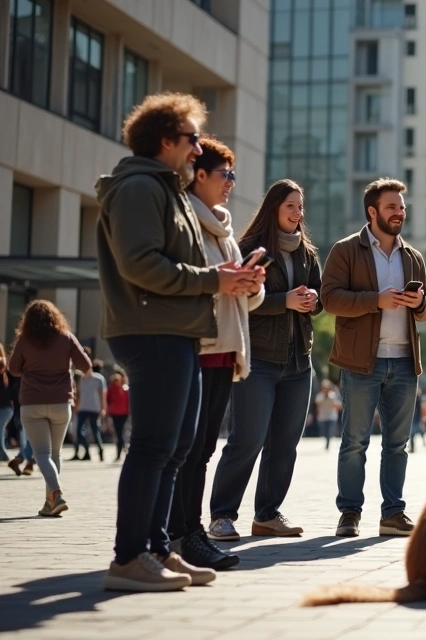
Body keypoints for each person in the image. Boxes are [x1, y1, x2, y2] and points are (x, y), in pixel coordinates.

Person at [97, 92, 259, 591]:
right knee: (153, 447)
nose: (197, 150)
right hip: (151, 331)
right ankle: (129, 558)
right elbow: (141, 265)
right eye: (191, 139)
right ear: (165, 140)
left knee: (175, 448)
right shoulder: (139, 188)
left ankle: (158, 549)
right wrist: (215, 281)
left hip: (179, 331)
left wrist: (224, 278)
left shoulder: (166, 189)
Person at [167, 135, 264, 570]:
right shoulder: (184, 221)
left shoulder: (223, 227)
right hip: (197, 348)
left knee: (203, 447)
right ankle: (182, 533)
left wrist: (251, 286)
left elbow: (237, 296)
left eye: (233, 175)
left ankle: (189, 532)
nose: (231, 183)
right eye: (225, 174)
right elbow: (186, 283)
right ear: (199, 175)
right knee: (186, 449)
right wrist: (223, 281)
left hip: (225, 350)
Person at [208, 179, 322, 541]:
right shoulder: (249, 249)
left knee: (284, 443)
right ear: (274, 208)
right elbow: (239, 300)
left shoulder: (307, 253)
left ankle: (268, 515)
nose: (297, 212)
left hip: (298, 362)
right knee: (248, 440)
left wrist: (311, 301)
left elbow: (318, 300)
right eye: (291, 205)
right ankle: (222, 515)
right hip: (258, 360)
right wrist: (283, 301)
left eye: (300, 206)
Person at [321, 178, 426, 537]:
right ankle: (350, 512)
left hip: (403, 361)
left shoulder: (412, 256)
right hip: (361, 363)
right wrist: (375, 300)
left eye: (402, 207)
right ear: (372, 211)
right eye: (391, 207)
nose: (399, 212)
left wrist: (420, 304)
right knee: (355, 441)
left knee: (398, 444)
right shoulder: (345, 250)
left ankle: (392, 513)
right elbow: (331, 298)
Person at [9, 300, 92, 516]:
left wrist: (32, 367)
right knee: (55, 454)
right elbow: (87, 367)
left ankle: (56, 494)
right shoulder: (65, 338)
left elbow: (13, 369)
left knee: (42, 453)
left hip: (32, 402)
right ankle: (50, 504)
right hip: (61, 403)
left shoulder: (24, 340)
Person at [71, 360, 107, 461]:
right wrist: (76, 405)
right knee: (78, 431)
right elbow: (77, 393)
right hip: (82, 408)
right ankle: (86, 450)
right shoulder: (80, 379)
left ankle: (100, 450)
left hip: (94, 408)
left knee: (95, 431)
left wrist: (103, 408)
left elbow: (102, 395)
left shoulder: (98, 379)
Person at [107, 372, 130, 461]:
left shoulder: (124, 389)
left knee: (120, 433)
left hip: (121, 413)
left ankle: (120, 451)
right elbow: (108, 400)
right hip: (117, 413)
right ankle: (122, 449)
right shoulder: (114, 389)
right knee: (120, 432)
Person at [314, 379, 342, 450]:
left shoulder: (333, 395)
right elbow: (318, 407)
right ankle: (327, 440)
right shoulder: (319, 396)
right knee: (324, 432)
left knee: (330, 431)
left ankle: (328, 443)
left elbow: (339, 406)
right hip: (322, 417)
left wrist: (332, 402)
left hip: (331, 417)